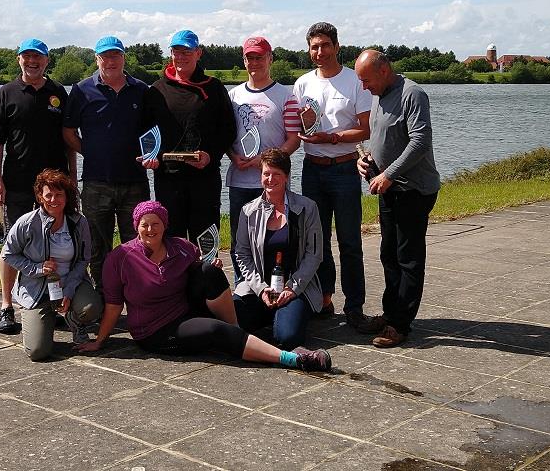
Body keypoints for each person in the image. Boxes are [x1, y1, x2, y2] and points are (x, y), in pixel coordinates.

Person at [76, 200, 331, 372]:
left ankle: (236, 333)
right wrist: (99, 340)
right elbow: (113, 305)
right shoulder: (120, 258)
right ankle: (292, 359)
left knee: (209, 271)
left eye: (156, 223)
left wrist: (211, 265)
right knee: (214, 331)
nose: (150, 229)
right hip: (156, 331)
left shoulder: (181, 247)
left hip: (186, 311)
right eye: (144, 224)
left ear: (165, 225)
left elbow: (203, 276)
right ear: (136, 227)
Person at [292, 22, 376, 330]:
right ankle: (323, 300)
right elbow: (299, 125)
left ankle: (354, 307)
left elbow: (365, 129)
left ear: (337, 46)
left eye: (325, 45)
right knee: (317, 240)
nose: (319, 52)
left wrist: (332, 138)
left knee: (350, 241)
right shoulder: (302, 84)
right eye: (314, 46)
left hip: (343, 168)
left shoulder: (354, 81)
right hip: (312, 169)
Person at [354, 50, 440, 347]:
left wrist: (388, 174)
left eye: (366, 80)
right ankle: (391, 314)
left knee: (408, 259)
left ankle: (400, 325)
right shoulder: (379, 93)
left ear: (384, 70)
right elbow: (381, 137)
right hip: (389, 189)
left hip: (413, 190)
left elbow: (419, 141)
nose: (364, 87)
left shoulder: (412, 94)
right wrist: (364, 161)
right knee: (388, 254)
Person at [0, 38, 72, 334]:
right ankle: (6, 307)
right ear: (19, 60)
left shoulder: (58, 93)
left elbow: (68, 138)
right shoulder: (6, 93)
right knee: (12, 244)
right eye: (27, 57)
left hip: (55, 187)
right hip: (18, 183)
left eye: (38, 57)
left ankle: (52, 303)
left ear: (47, 61)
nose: (32, 61)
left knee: (55, 243)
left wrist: (73, 175)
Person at [63, 36, 149, 294]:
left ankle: (136, 296)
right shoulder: (81, 90)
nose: (110, 61)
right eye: (105, 56)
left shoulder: (142, 90)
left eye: (115, 56)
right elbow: (68, 131)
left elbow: (153, 131)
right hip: (96, 182)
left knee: (136, 243)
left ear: (124, 57)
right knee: (97, 246)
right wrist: (90, 153)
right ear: (97, 59)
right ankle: (104, 296)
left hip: (134, 181)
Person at [139, 30, 236, 242]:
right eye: (176, 51)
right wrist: (150, 155)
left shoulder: (214, 87)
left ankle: (207, 274)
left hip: (205, 178)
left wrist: (211, 155)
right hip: (168, 178)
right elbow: (145, 131)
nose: (181, 56)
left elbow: (228, 130)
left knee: (206, 241)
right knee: (172, 241)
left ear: (198, 53)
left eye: (187, 51)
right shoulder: (156, 90)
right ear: (171, 53)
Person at [2, 169, 103, 361]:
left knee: (92, 307)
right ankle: (44, 317)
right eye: (49, 195)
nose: (54, 200)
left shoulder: (79, 222)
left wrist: (70, 289)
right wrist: (37, 268)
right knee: (37, 352)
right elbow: (8, 254)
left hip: (70, 282)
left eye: (59, 195)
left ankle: (74, 320)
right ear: (40, 197)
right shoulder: (27, 223)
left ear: (66, 197)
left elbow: (83, 259)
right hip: (37, 287)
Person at [227, 37, 301, 285]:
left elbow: (293, 140)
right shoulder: (233, 96)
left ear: (270, 59)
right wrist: (231, 155)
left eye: (260, 57)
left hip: (272, 183)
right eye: (250, 57)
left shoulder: (286, 96)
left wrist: (267, 162)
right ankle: (243, 290)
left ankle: (276, 286)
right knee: (240, 241)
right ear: (244, 60)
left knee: (275, 238)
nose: (254, 62)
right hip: (240, 182)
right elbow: (226, 136)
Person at [233, 148, 323, 350]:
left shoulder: (308, 208)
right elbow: (242, 254)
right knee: (232, 323)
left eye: (277, 174)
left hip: (295, 287)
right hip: (259, 287)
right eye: (266, 173)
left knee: (288, 338)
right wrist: (261, 289)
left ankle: (286, 315)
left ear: (287, 177)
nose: (270, 179)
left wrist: (292, 288)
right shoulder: (248, 211)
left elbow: (314, 255)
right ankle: (268, 313)